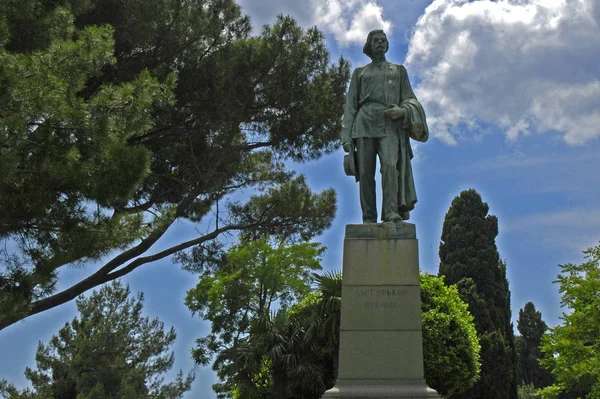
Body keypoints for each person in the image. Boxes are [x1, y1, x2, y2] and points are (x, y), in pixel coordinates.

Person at [342, 29, 429, 223]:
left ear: (387, 45)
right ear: (369, 46)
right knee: (365, 174)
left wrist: (404, 111)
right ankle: (368, 217)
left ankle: (390, 211)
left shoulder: (398, 70)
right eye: (376, 41)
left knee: (390, 166)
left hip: (390, 124)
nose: (380, 43)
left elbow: (409, 98)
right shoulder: (359, 73)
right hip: (364, 123)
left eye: (383, 40)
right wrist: (347, 140)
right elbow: (350, 106)